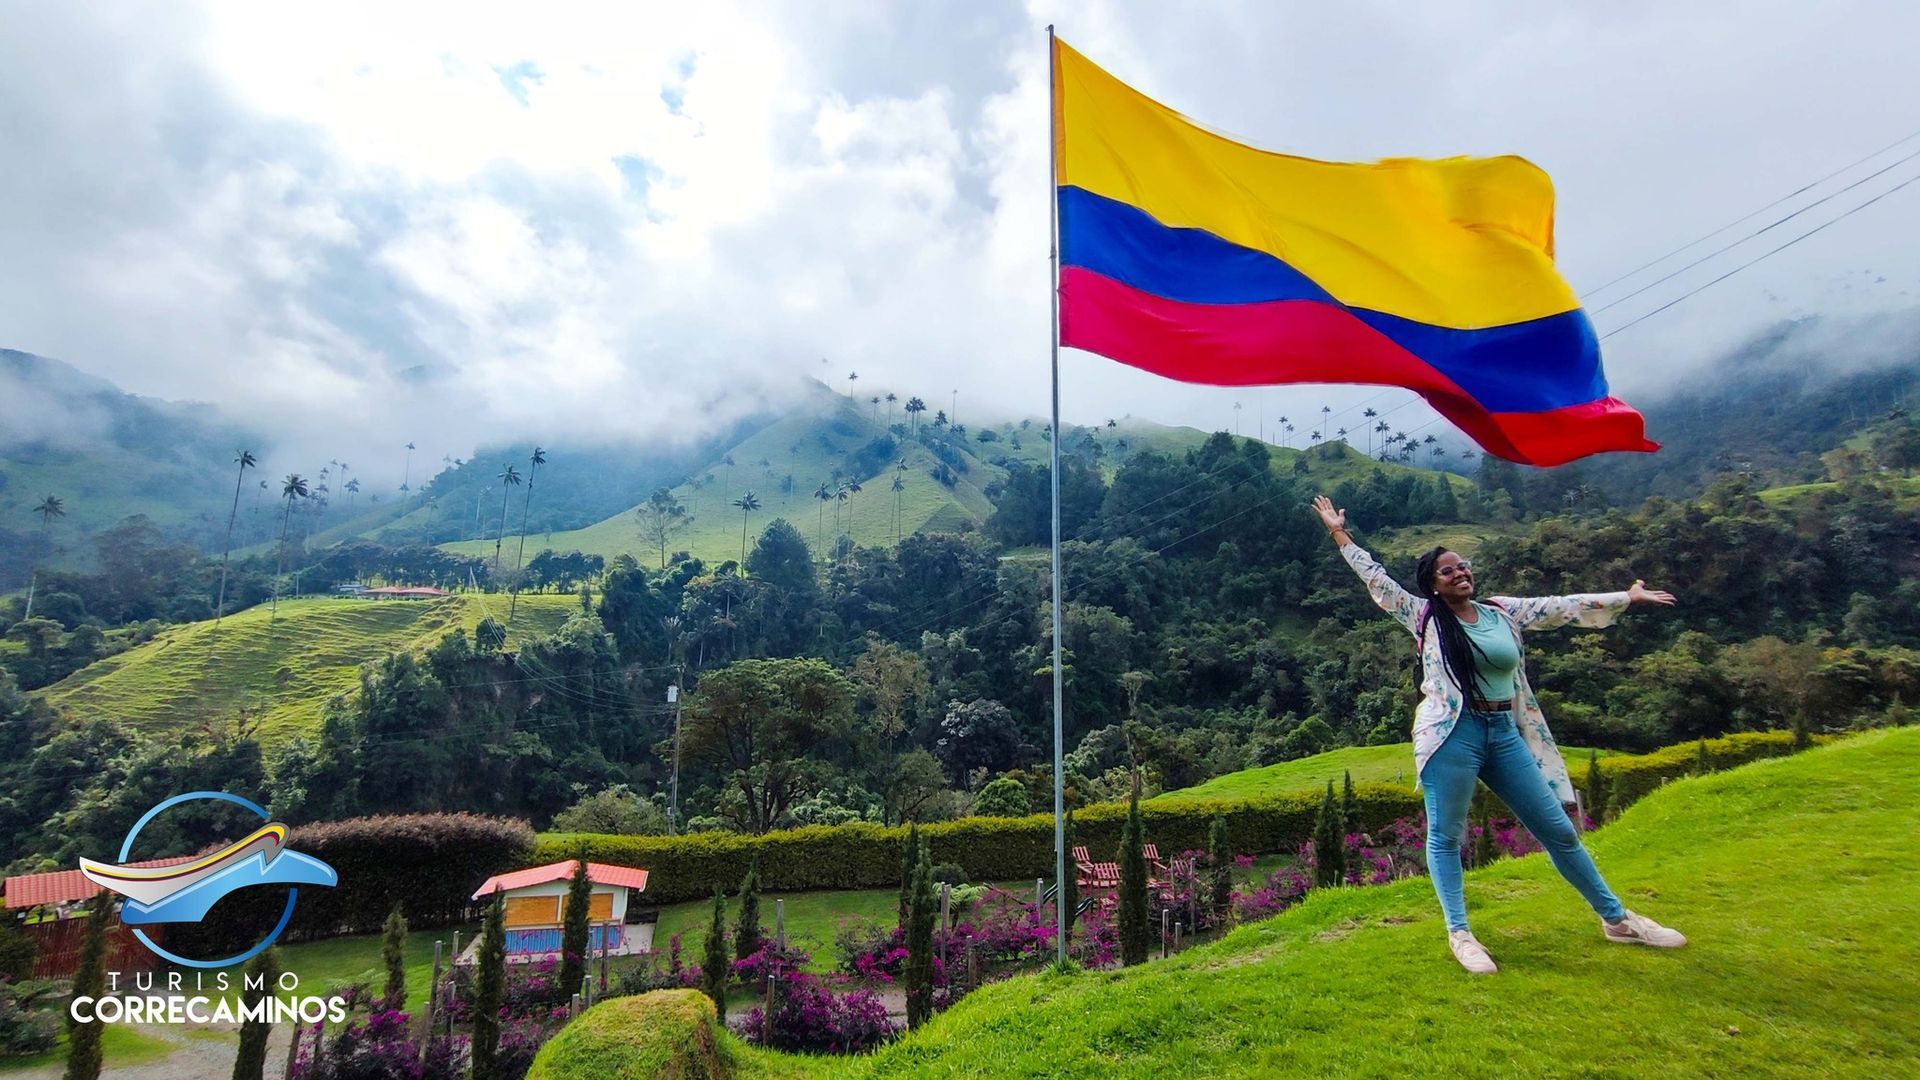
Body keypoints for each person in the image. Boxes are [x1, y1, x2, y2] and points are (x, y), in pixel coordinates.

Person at [1311, 495, 1686, 973]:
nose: (1459, 574)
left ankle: (1616, 919)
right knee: (1446, 836)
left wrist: (1626, 597)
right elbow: (1376, 579)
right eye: (1447, 571)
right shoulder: (1422, 616)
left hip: (1504, 731)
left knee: (1557, 830)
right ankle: (1460, 933)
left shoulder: (1500, 612)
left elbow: (1560, 607)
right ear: (1432, 584)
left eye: (1463, 566)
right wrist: (1338, 532)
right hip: (1452, 734)